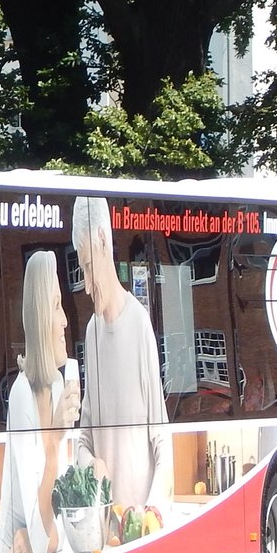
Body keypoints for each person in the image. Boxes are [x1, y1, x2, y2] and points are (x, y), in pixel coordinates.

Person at [71, 197, 172, 512]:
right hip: (104, 529)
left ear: (103, 240)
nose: (86, 286)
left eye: (88, 267)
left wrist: (151, 513)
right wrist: (90, 465)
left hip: (140, 525)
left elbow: (162, 438)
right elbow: (83, 440)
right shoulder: (91, 332)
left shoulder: (139, 323)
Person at [0, 251, 81, 553]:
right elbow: (44, 531)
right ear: (39, 315)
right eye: (56, 306)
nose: (64, 321)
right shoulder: (21, 395)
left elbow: (58, 522)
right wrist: (57, 438)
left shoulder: (57, 387)